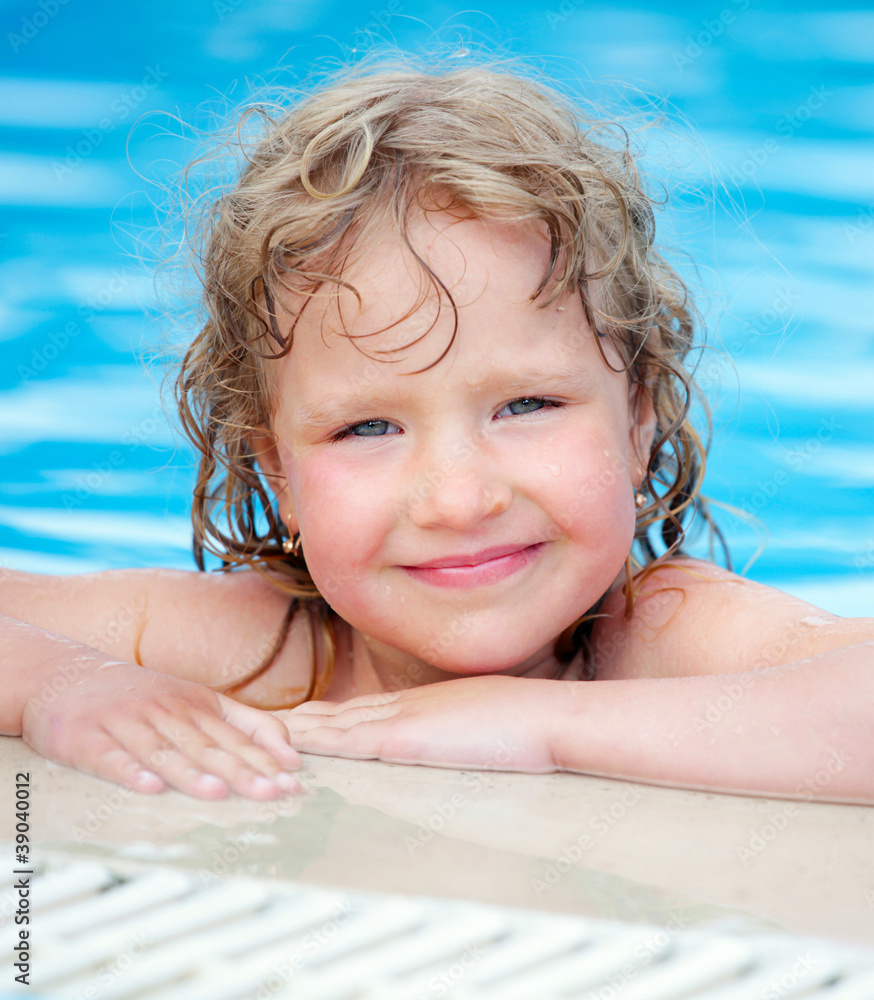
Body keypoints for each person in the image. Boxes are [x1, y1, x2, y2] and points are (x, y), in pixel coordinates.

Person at [3, 61, 872, 805]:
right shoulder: (267, 648)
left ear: (639, 419)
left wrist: (549, 725)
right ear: (276, 470)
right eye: (367, 426)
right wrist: (64, 684)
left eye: (526, 406)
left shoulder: (660, 639)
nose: (459, 499)